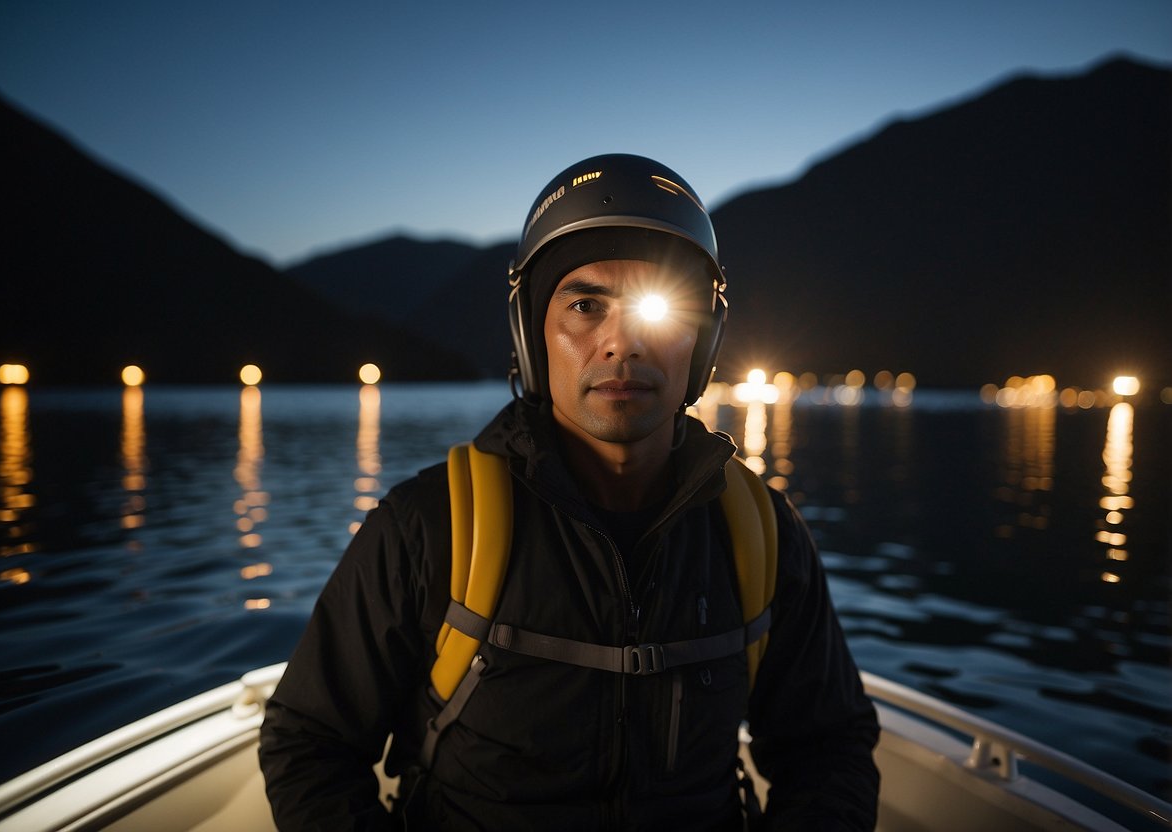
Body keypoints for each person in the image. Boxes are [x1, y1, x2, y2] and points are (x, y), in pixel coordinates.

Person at [258, 154, 880, 830]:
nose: (623, 343)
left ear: (703, 343)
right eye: (586, 305)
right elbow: (309, 743)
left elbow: (829, 750)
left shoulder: (758, 530)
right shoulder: (429, 526)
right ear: (531, 332)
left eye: (660, 310)